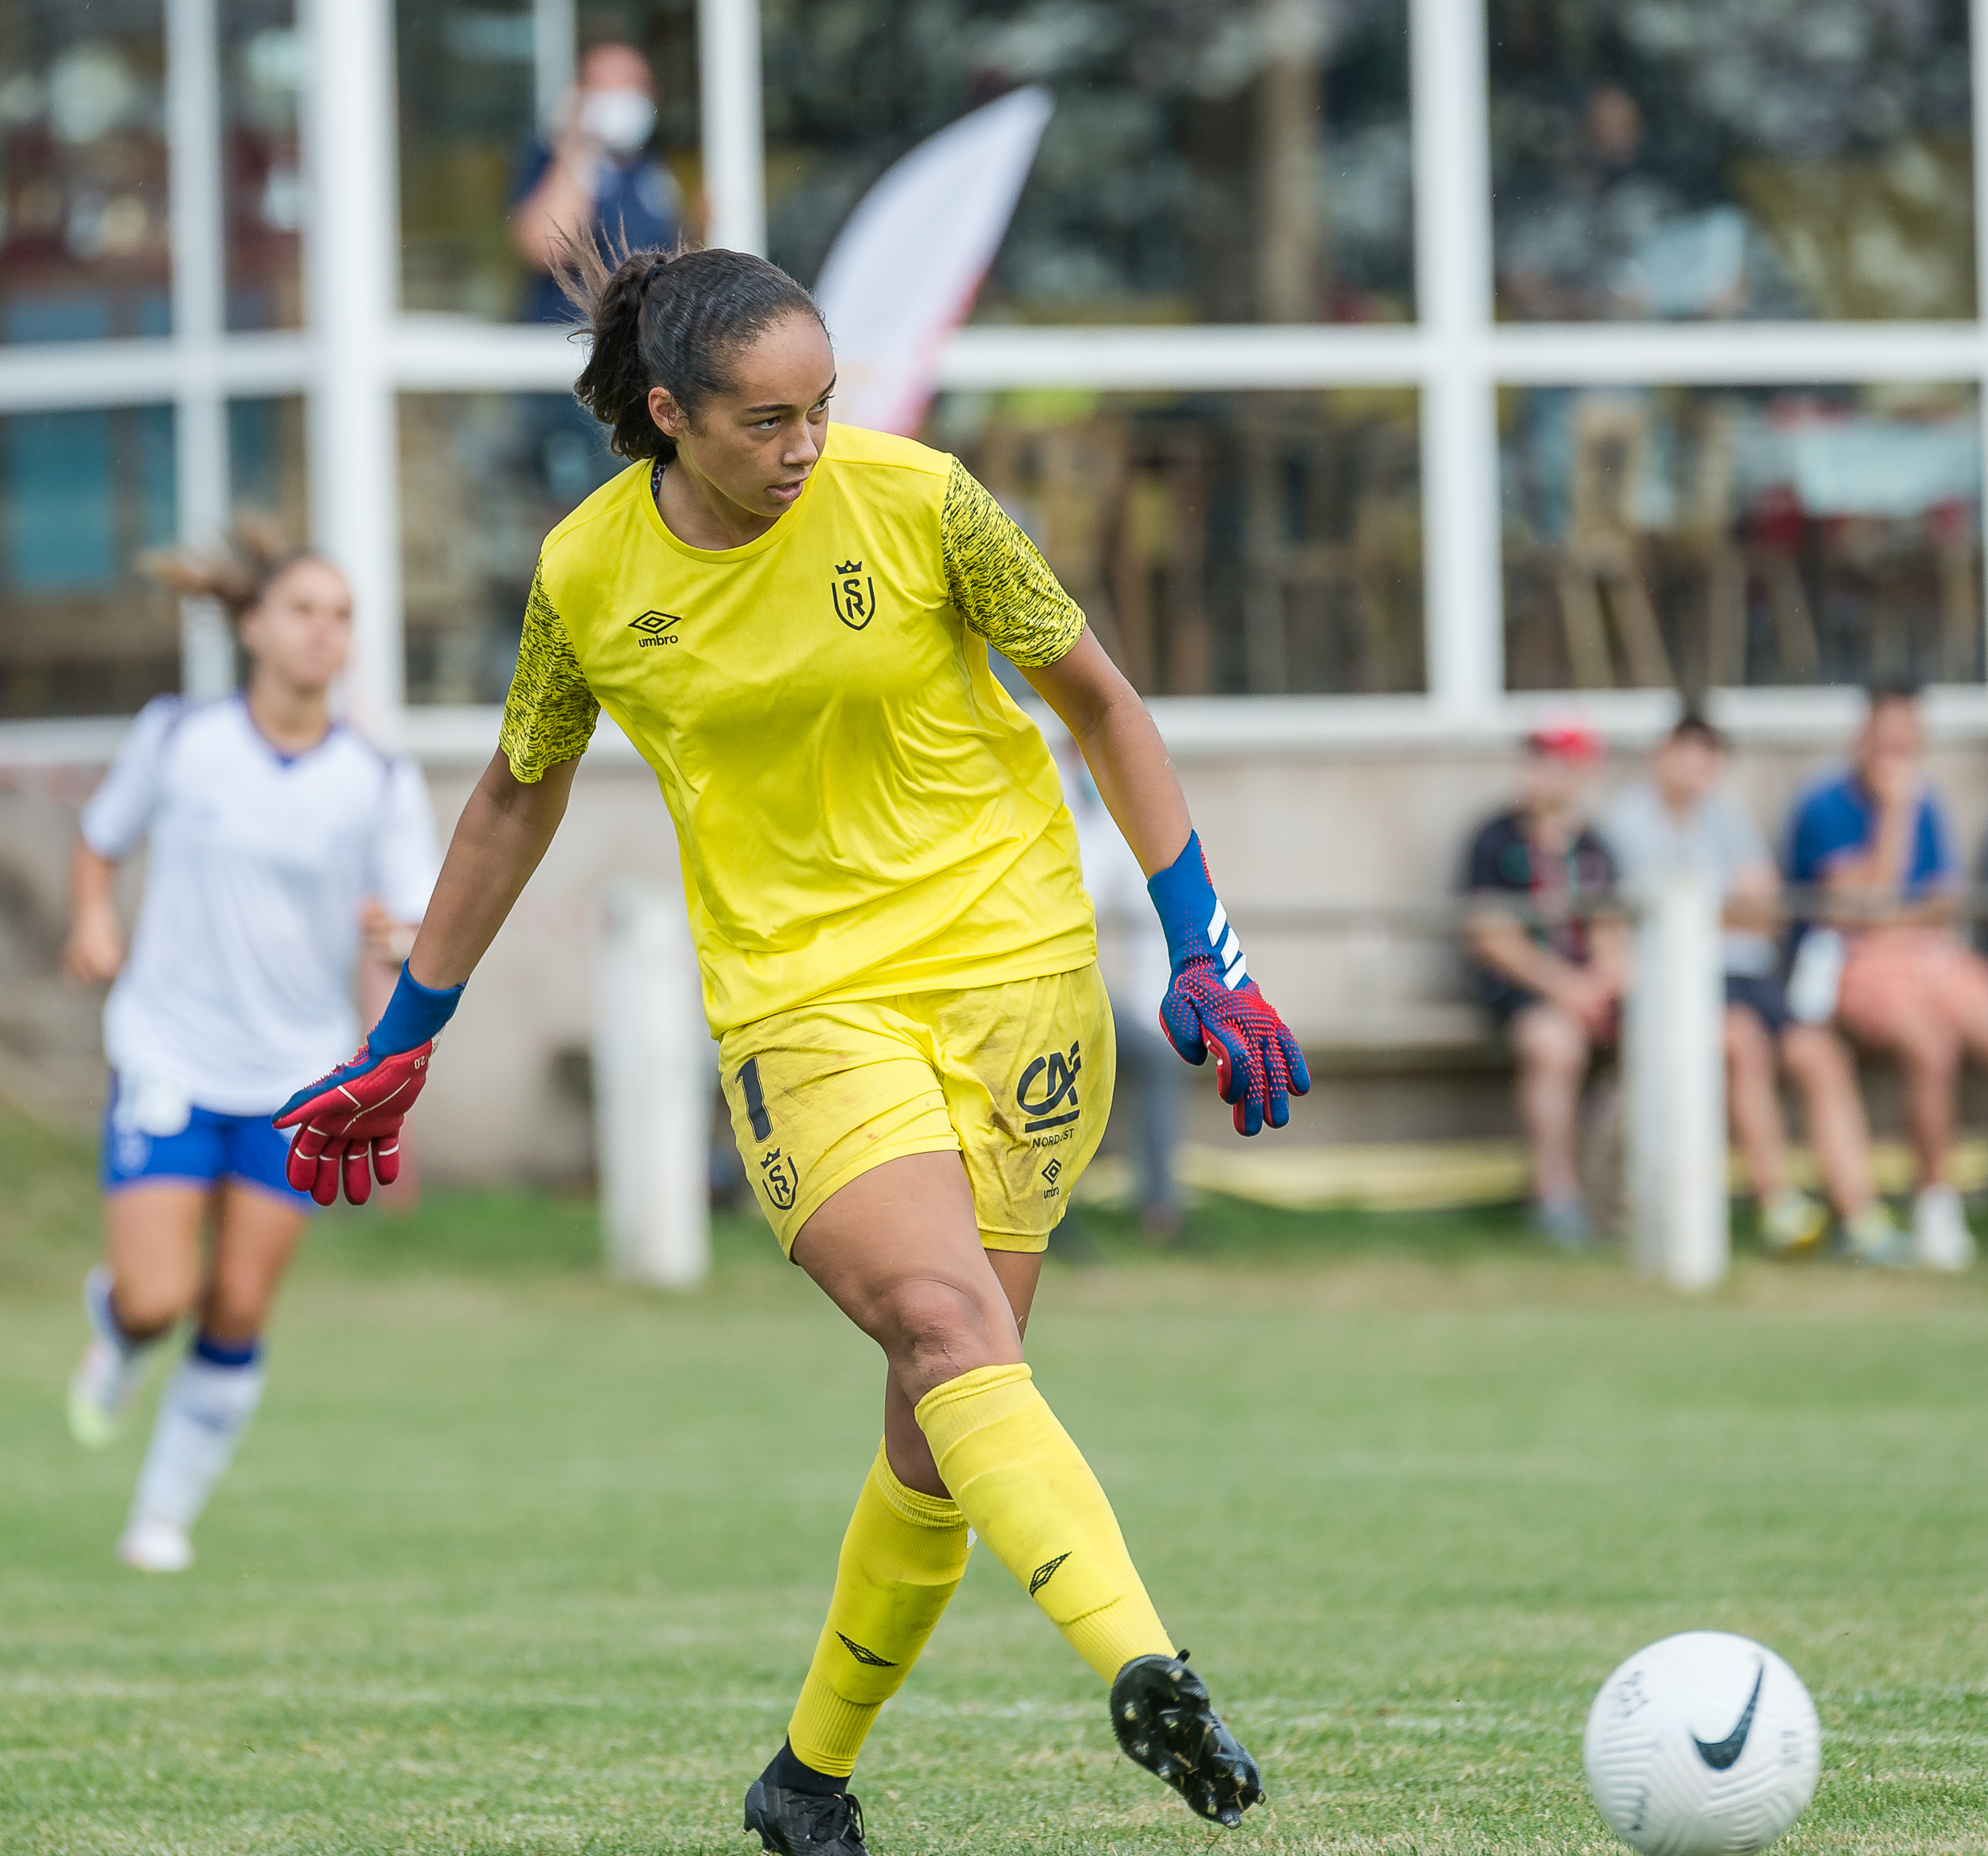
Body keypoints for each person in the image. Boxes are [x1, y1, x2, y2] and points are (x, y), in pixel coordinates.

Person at [271, 244, 1309, 1853]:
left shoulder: (927, 500)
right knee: (947, 1321)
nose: (808, 447)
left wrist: (1205, 950)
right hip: (804, 1008)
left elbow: (1103, 704)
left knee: (941, 1417)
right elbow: (516, 792)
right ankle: (1145, 1663)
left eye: (823, 408)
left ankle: (805, 1778)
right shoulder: (586, 575)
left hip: (1016, 973)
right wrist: (407, 1030)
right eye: (769, 421)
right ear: (669, 415)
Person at [62, 524, 440, 1572]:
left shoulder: (374, 777)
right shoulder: (180, 736)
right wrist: (94, 919)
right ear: (252, 626)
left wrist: (395, 939)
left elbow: (415, 920)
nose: (326, 633)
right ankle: (116, 1321)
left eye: (343, 616)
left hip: (294, 1076)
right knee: (156, 1297)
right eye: (306, 611)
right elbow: (99, 840)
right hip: (170, 1054)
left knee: (236, 1300)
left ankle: (160, 1518)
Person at [1603, 713, 1905, 1264]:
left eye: (1709, 756)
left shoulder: (1725, 815)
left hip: (1751, 973)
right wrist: (1729, 908)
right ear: (1662, 755)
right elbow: (1658, 927)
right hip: (1680, 983)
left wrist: (1725, 911)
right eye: (1688, 753)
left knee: (1819, 1054)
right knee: (1741, 1044)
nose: (1699, 767)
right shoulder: (1625, 824)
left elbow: (1765, 914)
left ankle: (1858, 1213)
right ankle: (1779, 1205)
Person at [1788, 685, 1986, 1271]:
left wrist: (1892, 921)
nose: (1898, 748)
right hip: (1850, 969)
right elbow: (1858, 907)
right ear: (1864, 737)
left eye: (1908, 735)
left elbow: (1943, 906)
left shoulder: (1930, 804)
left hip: (1927, 956)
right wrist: (1894, 813)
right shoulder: (1823, 807)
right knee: (1931, 1045)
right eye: (1886, 734)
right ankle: (1935, 1207)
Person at [1461, 717, 1626, 1247]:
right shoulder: (1494, 837)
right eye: (1533, 759)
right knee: (1555, 1045)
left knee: (1666, 1041)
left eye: (1553, 761)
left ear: (1582, 771)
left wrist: (1601, 985)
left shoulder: (1596, 846)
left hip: (1587, 994)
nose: (1538, 772)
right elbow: (1491, 937)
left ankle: (1626, 1199)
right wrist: (1567, 988)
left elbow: (1611, 930)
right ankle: (1555, 1198)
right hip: (1522, 991)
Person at [1061, 739, 1185, 1241]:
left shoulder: (1113, 823)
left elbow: (1143, 923)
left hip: (1076, 978)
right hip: (1008, 970)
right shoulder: (1032, 785)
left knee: (1155, 1057)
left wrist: (1161, 1010)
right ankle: (1039, 1219)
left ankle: (1160, 1210)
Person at [508, 41, 682, 326]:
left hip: (637, 343)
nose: (620, 95)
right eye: (604, 85)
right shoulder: (548, 159)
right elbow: (546, 250)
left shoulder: (652, 167)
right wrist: (574, 148)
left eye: (631, 83)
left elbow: (668, 253)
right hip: (562, 338)